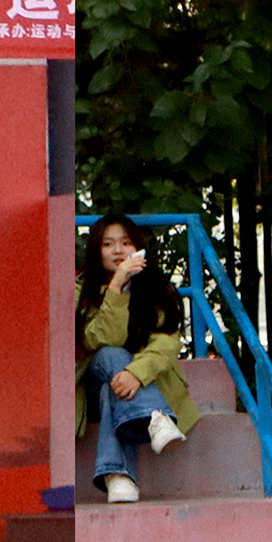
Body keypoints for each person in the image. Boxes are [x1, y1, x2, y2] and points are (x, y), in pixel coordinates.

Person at [82, 213, 198, 502]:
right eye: (108, 244)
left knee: (116, 387)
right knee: (111, 355)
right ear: (97, 251)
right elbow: (101, 339)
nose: (119, 251)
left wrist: (136, 374)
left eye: (126, 242)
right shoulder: (79, 291)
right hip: (92, 386)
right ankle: (157, 417)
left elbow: (167, 343)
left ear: (139, 248)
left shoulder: (156, 289)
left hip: (129, 385)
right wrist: (117, 285)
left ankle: (119, 477)